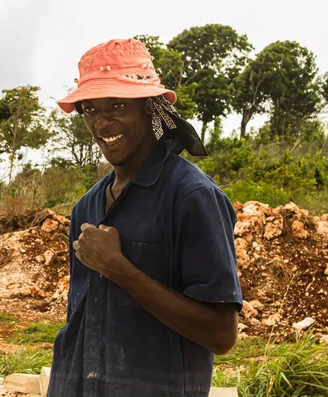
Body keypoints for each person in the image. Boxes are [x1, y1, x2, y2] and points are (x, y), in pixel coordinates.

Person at [48, 38, 243, 397]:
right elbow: (81, 319)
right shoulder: (85, 208)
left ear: (150, 108)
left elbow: (221, 334)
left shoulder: (191, 197)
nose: (102, 122)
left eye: (117, 105)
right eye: (89, 109)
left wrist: (120, 269)